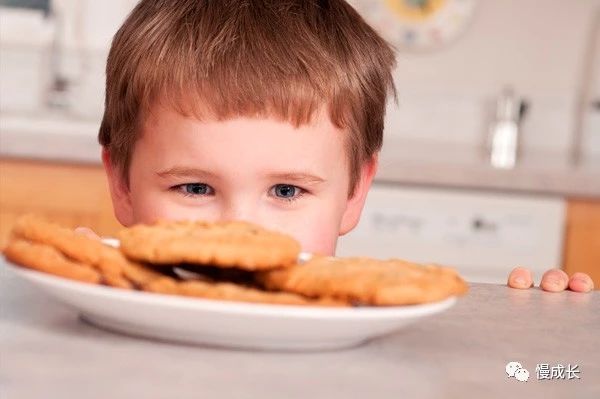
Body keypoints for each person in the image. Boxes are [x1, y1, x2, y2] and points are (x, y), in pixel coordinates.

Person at [86, 0, 593, 293]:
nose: (242, 237)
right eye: (194, 187)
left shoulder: (367, 325)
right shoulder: (93, 300)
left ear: (354, 194)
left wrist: (536, 344)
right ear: (121, 184)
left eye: (286, 191)